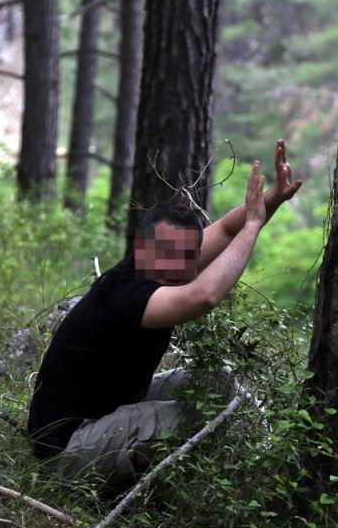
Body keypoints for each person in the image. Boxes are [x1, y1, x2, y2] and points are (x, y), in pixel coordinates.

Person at [27, 140, 302, 492]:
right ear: (142, 248)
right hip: (67, 448)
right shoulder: (126, 292)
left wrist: (273, 198)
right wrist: (253, 226)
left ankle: (267, 470)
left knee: (217, 384)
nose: (176, 263)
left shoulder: (168, 267)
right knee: (193, 415)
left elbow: (225, 231)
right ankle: (226, 491)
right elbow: (205, 295)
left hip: (106, 414)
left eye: (188, 254)